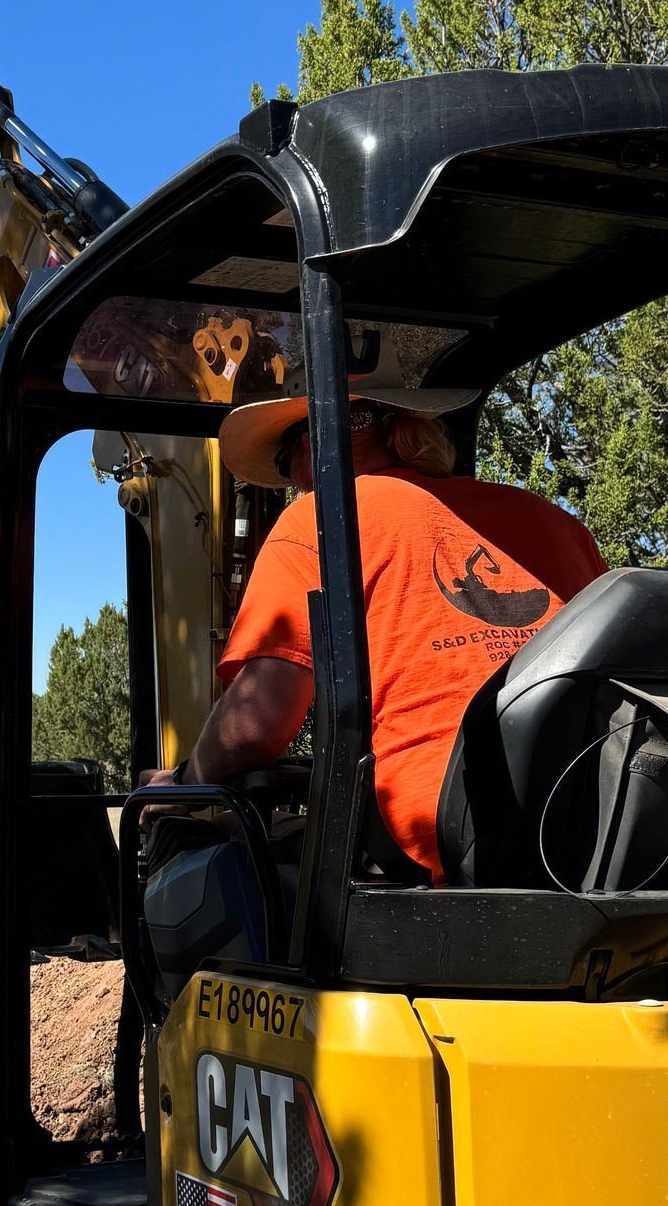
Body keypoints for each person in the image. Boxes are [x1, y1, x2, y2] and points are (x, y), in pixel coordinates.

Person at [149, 376, 605, 882]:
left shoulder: (320, 521)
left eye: (285, 460)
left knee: (214, 870)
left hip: (444, 836)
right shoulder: (557, 524)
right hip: (599, 826)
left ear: (314, 443)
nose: (295, 480)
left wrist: (186, 782)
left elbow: (257, 726)